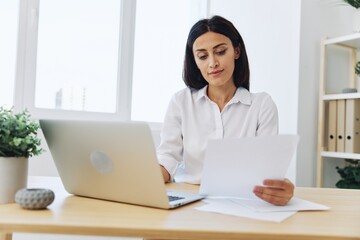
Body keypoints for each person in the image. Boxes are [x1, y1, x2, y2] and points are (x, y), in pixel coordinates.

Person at [157, 15, 294, 206]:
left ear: (236, 51)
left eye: (220, 52)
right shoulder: (181, 101)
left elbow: (267, 171)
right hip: (189, 200)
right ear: (195, 61)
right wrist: (147, 177)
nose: (212, 63)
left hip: (242, 202)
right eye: (203, 56)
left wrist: (280, 189)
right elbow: (167, 158)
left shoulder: (262, 105)